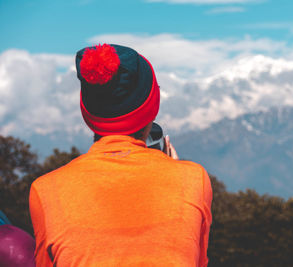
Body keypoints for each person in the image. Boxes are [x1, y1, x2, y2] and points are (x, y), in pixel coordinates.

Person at [29, 44, 213, 266]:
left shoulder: (45, 191)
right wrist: (179, 176)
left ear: (87, 110)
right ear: (151, 107)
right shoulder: (195, 180)